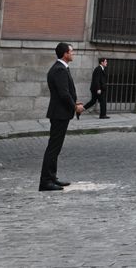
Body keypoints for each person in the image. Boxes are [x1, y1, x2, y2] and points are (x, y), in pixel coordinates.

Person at [39, 42, 84, 191]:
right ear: (65, 54)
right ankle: (46, 181)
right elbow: (64, 93)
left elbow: (66, 92)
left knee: (55, 148)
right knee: (53, 148)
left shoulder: (62, 68)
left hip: (61, 113)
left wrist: (75, 101)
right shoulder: (59, 70)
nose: (73, 53)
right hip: (59, 113)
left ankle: (52, 177)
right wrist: (75, 106)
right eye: (71, 51)